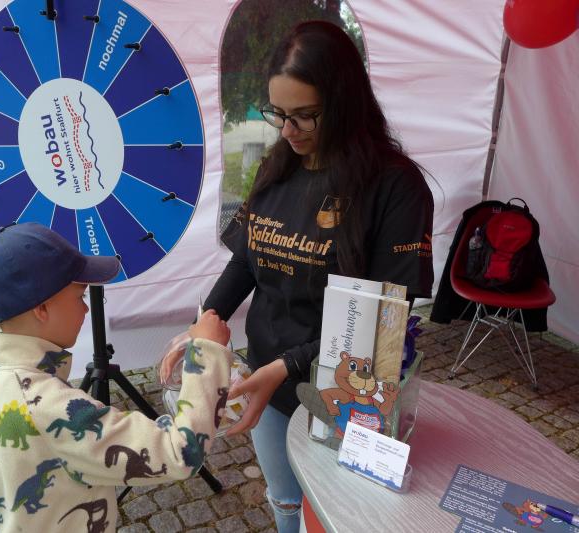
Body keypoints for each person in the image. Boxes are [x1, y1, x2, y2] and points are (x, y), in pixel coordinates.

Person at [170, 21, 435, 532]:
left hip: (350, 392)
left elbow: (385, 319)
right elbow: (246, 259)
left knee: (345, 513)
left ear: (345, 103)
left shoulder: (396, 187)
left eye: (305, 116)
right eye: (278, 114)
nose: (287, 132)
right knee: (286, 501)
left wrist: (286, 366)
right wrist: (206, 320)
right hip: (269, 379)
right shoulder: (278, 167)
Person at [0, 223, 233, 533]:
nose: (87, 308)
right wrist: (207, 351)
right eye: (79, 297)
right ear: (42, 309)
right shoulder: (48, 407)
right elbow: (181, 451)